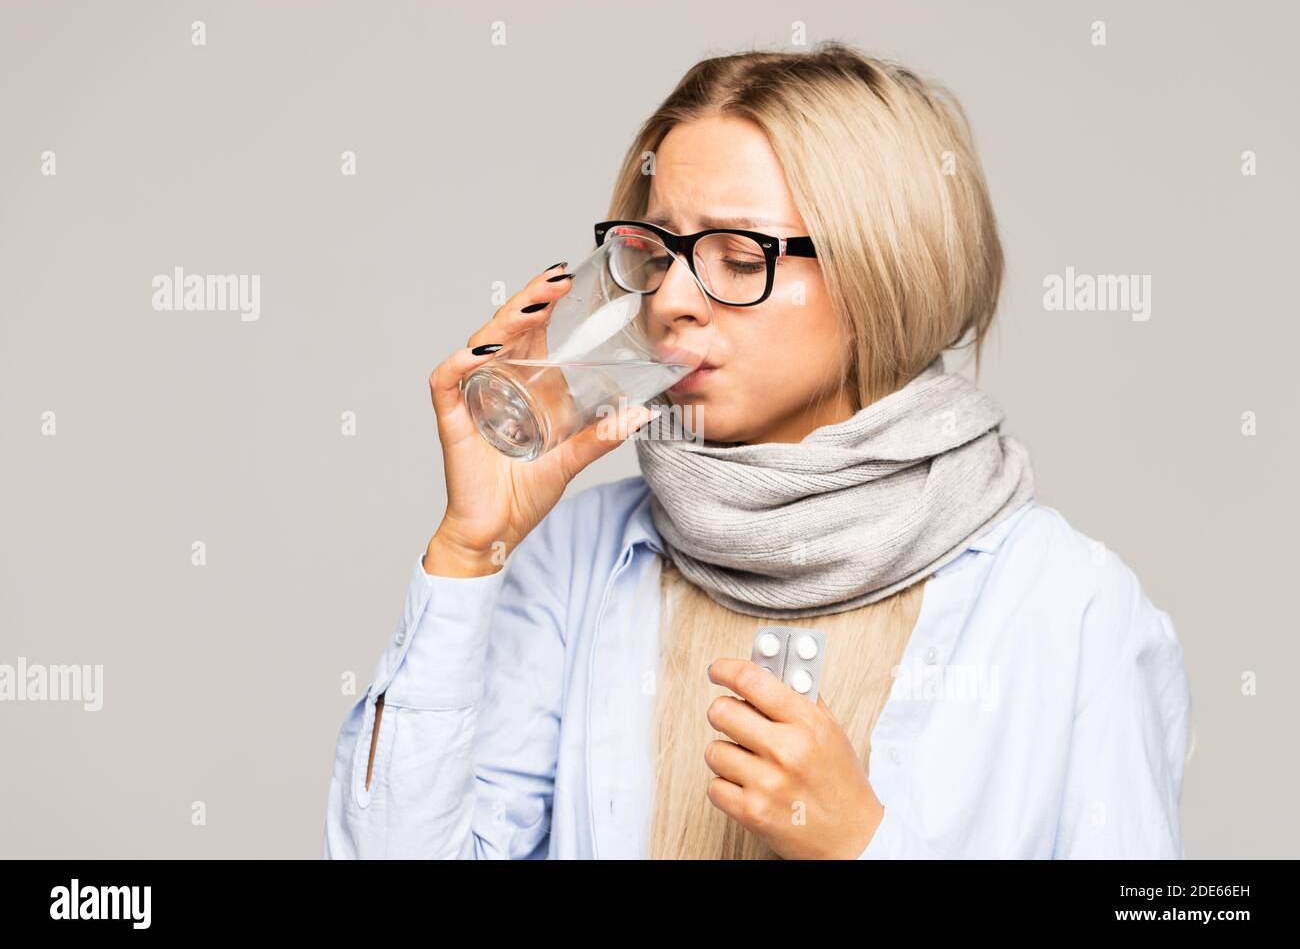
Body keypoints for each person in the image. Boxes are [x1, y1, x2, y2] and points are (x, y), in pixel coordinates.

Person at [322, 42, 1191, 859]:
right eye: (656, 254)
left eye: (739, 258)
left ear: (886, 271)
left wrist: (863, 847)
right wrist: (470, 550)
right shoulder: (583, 556)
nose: (672, 302)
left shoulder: (1067, 605)